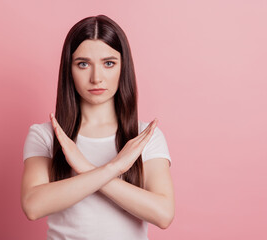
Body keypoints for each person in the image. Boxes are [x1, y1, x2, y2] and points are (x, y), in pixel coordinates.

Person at [21, 14, 174, 240]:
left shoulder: (144, 137)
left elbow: (163, 214)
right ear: (69, 70)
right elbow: (33, 206)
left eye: (109, 63)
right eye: (83, 64)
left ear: (123, 68)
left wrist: (84, 166)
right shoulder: (46, 135)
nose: (96, 77)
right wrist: (112, 168)